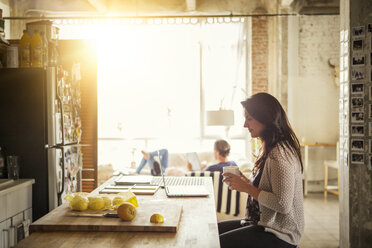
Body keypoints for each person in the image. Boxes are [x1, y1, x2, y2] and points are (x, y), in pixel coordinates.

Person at [220, 92, 304, 248]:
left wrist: (247, 188)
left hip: (280, 234)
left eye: (249, 118)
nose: (245, 125)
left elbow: (282, 204)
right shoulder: (267, 147)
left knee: (212, 242)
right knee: (211, 232)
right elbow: (267, 189)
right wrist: (245, 182)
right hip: (261, 224)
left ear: (266, 119)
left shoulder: (280, 154)